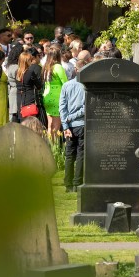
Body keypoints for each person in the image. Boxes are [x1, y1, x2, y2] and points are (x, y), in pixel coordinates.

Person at [59, 54, 91, 192]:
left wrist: (66, 122)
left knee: (70, 154)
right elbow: (85, 108)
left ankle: (69, 185)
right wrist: (70, 119)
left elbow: (62, 107)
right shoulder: (86, 87)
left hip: (70, 124)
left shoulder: (66, 85)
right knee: (79, 154)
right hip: (80, 124)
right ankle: (76, 184)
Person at [41, 44, 68, 139]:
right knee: (56, 127)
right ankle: (54, 150)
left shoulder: (45, 67)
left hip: (47, 97)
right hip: (57, 97)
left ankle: (49, 147)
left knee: (50, 125)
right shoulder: (58, 67)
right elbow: (66, 83)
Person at [15, 49, 45, 124]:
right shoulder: (30, 72)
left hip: (20, 99)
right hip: (30, 98)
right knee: (31, 122)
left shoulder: (17, 72)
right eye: (30, 60)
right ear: (27, 61)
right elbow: (39, 86)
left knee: (23, 121)